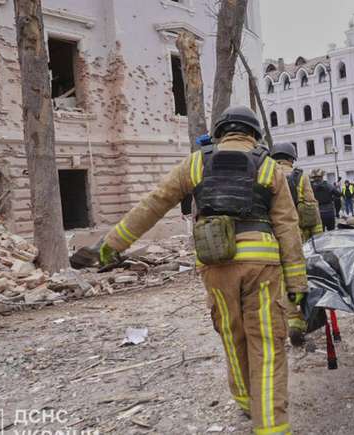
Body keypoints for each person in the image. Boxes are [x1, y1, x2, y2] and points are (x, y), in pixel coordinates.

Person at [99, 105, 305, 435]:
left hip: (215, 265)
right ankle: (272, 427)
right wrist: (296, 281)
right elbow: (288, 228)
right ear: (253, 135)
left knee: (232, 335)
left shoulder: (197, 162)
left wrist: (111, 244)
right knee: (266, 346)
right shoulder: (269, 168)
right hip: (262, 268)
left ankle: (245, 401)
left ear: (221, 131)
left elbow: (154, 202)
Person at [271, 142, 323, 347]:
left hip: (272, 239)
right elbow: (311, 210)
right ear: (292, 158)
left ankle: (292, 320)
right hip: (297, 236)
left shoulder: (264, 173)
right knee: (300, 277)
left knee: (281, 280)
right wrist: (317, 239)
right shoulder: (300, 177)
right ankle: (302, 318)